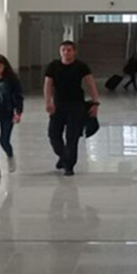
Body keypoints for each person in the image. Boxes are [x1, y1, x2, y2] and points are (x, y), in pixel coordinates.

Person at [44, 40, 100, 177]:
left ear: (74, 52)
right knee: (53, 134)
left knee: (72, 136)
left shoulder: (81, 66)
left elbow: (91, 84)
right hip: (58, 105)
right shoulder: (53, 66)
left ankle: (69, 165)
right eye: (63, 50)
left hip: (76, 105)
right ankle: (63, 156)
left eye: (69, 50)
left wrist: (95, 103)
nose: (66, 53)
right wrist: (48, 102)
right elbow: (48, 85)